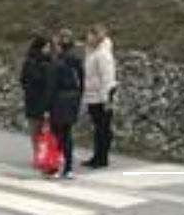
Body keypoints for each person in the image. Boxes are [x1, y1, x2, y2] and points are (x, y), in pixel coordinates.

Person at [43, 30, 86, 179]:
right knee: (68, 134)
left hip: (58, 101)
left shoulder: (56, 64)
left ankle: (54, 168)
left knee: (55, 136)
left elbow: (51, 87)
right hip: (73, 99)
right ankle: (68, 169)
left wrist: (47, 108)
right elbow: (82, 83)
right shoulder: (77, 63)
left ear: (60, 47)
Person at [82, 24, 119, 169]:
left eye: (90, 35)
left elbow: (107, 78)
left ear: (96, 36)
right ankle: (97, 155)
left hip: (101, 97)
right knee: (98, 128)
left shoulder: (103, 54)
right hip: (93, 95)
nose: (87, 38)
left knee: (102, 129)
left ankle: (102, 157)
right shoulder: (93, 52)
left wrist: (106, 99)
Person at [18, 36, 51, 141]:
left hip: (32, 98)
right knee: (44, 128)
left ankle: (37, 153)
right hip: (44, 99)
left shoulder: (28, 61)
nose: (49, 49)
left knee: (34, 127)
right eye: (47, 47)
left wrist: (28, 90)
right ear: (41, 47)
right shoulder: (47, 63)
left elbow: (22, 79)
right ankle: (43, 153)